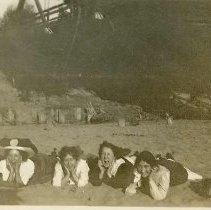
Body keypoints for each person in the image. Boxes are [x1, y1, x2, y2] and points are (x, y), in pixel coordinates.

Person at [125, 151, 202, 200]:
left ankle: (170, 159)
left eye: (146, 166)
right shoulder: (138, 168)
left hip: (179, 172)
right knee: (161, 161)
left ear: (152, 166)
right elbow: (130, 187)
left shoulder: (164, 174)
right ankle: (164, 158)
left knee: (180, 170)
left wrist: (150, 180)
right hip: (160, 163)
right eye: (140, 166)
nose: (142, 170)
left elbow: (159, 197)